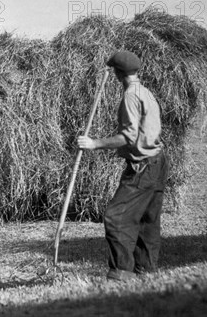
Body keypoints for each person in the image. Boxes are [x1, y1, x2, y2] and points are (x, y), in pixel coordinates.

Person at [77, 51, 168, 282]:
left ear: (117, 73)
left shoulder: (130, 96)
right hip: (158, 161)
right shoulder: (145, 92)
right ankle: (146, 272)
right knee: (147, 221)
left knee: (116, 216)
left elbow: (128, 136)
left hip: (143, 166)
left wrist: (94, 143)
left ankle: (121, 274)